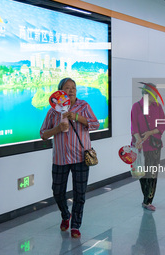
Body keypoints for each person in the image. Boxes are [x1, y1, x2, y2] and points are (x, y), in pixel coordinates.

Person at [40, 78, 99, 238]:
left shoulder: (84, 106)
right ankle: (66, 215)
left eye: (73, 88)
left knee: (80, 194)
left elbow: (95, 124)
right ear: (60, 92)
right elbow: (43, 134)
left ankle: (75, 226)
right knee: (57, 192)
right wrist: (57, 129)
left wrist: (76, 117)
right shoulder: (53, 111)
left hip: (81, 157)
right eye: (67, 88)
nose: (71, 90)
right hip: (60, 158)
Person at [131, 83, 165, 211]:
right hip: (139, 146)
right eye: (154, 93)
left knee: (152, 174)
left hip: (154, 145)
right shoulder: (136, 107)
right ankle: (146, 198)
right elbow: (133, 126)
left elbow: (162, 126)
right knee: (141, 174)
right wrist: (138, 139)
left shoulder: (158, 107)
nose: (156, 96)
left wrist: (150, 133)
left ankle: (147, 201)